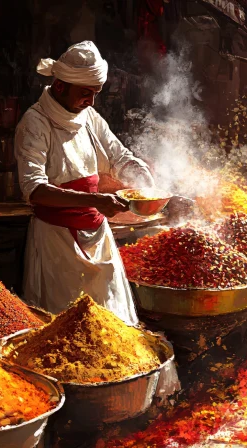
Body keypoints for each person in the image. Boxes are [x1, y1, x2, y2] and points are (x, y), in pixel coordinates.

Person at [16, 41, 155, 319]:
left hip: (97, 236)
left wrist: (143, 179)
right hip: (57, 243)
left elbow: (118, 157)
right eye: (85, 93)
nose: (91, 101)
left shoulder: (89, 117)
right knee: (63, 325)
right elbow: (34, 189)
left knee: (113, 323)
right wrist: (94, 200)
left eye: (95, 94)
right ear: (59, 87)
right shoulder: (35, 122)